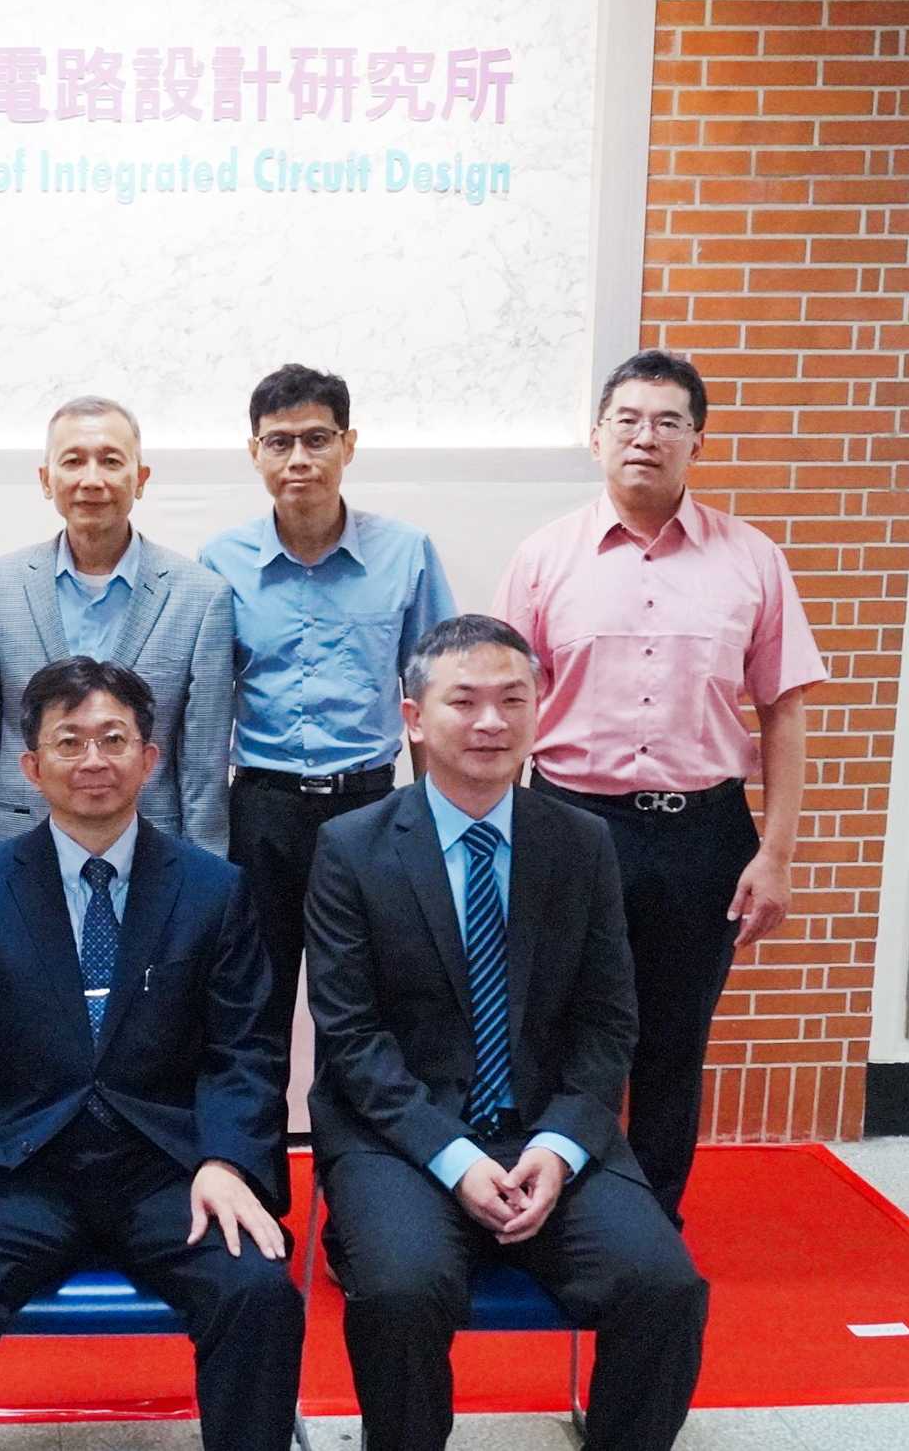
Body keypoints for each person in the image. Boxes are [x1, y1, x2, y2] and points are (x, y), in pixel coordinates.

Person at [306, 615, 708, 1451]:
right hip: (402, 1135)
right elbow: (351, 1037)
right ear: (415, 718)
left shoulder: (581, 842)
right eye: (464, 701)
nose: (490, 722)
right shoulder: (351, 847)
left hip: (546, 1127)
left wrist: (559, 1148)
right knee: (401, 1290)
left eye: (512, 700)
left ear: (539, 710)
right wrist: (455, 1158)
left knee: (665, 1285)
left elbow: (609, 1019)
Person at [0, 657, 305, 1451]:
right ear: (31, 766)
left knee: (257, 1288)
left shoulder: (212, 887)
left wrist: (226, 1159)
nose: (93, 759)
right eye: (69, 740)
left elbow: (246, 1047)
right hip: (23, 1165)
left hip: (168, 1167)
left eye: (114, 739)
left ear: (149, 759)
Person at [492, 349, 828, 1226]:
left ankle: (649, 1221)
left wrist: (776, 853)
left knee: (673, 1039)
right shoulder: (542, 558)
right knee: (553, 1028)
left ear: (697, 442)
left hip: (701, 833)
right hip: (567, 821)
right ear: (596, 436)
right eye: (629, 420)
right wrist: (496, 837)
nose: (646, 437)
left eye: (669, 421)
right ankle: (554, 1213)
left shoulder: (753, 560)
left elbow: (784, 711)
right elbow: (502, 705)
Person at [199, 363, 456, 1048]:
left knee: (365, 1010)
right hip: (261, 813)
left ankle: (361, 1127)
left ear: (349, 444)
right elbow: (204, 709)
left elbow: (433, 699)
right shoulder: (219, 562)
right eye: (279, 442)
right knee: (253, 1011)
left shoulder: (406, 553)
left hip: (369, 810)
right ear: (254, 452)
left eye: (317, 439)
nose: (299, 459)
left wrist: (436, 820)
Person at [0, 395, 233, 858]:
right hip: (17, 843)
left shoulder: (201, 596)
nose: (92, 480)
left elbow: (204, 770)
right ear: (46, 480)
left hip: (151, 850)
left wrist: (206, 879)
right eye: (73, 461)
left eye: (111, 461)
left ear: (141, 479)